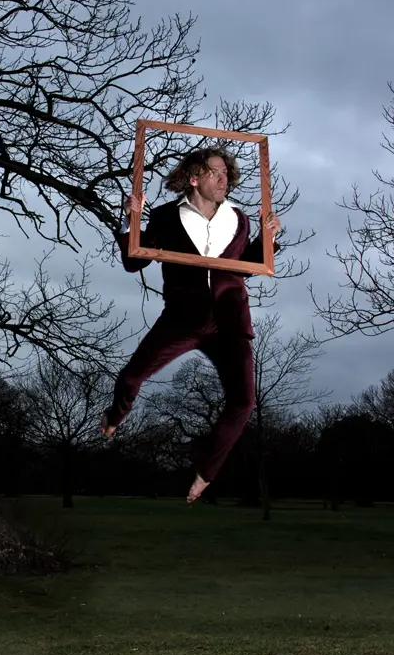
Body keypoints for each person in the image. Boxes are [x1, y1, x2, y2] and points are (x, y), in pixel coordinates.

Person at [101, 146, 281, 504]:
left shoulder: (241, 218)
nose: (223, 178)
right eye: (215, 172)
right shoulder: (167, 216)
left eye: (226, 173)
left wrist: (267, 237)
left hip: (230, 321)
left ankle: (205, 471)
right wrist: (130, 221)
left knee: (244, 402)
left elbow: (249, 262)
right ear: (194, 178)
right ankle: (114, 416)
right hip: (182, 318)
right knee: (132, 378)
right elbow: (134, 262)